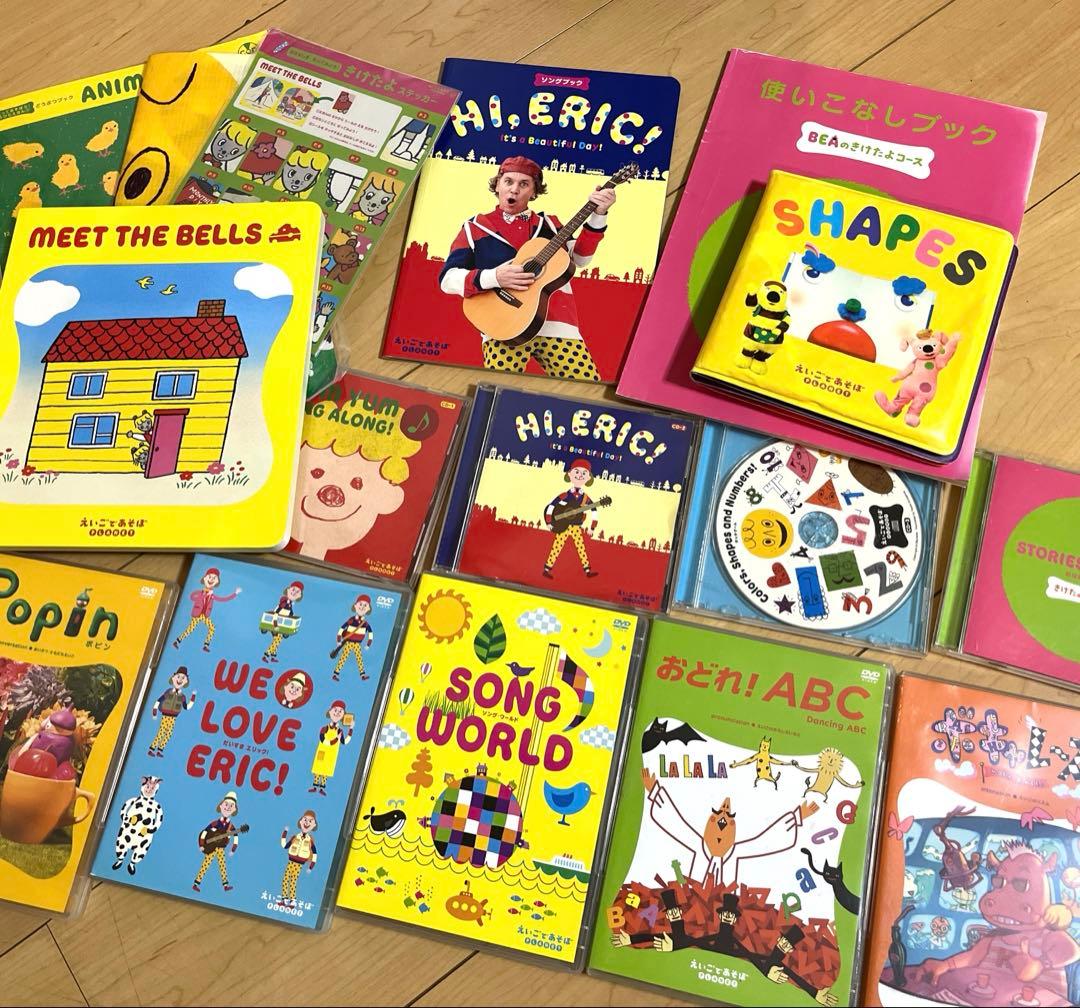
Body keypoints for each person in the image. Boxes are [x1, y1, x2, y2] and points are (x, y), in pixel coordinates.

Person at [439, 155, 615, 380]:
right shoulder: (475, 227)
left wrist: (598, 215)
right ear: (497, 185)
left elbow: (580, 259)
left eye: (524, 184)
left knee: (586, 389)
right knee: (499, 390)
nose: (514, 189)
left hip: (558, 325)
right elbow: (448, 279)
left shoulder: (550, 224)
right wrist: (494, 277)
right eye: (508, 181)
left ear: (534, 192)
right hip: (503, 327)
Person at [543, 459, 600, 579]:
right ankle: (547, 569)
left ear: (588, 478)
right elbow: (551, 506)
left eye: (584, 473)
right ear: (569, 474)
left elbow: (594, 511)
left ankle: (587, 570)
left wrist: (592, 527)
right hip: (562, 525)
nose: (580, 475)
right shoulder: (565, 495)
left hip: (576, 526)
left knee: (580, 547)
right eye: (577, 472)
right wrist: (549, 522)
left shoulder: (585, 498)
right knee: (557, 546)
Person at [172, 567, 241, 652]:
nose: (211, 579)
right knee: (190, 629)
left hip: (205, 616)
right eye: (210, 577)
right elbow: (192, 598)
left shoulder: (212, 595)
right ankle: (177, 641)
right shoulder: (198, 592)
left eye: (214, 578)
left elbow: (223, 599)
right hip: (197, 615)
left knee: (212, 628)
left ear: (217, 582)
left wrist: (235, 593)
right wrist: (206, 595)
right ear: (204, 578)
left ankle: (206, 645)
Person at [193, 791, 241, 892]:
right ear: (220, 806)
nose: (228, 807)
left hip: (221, 848)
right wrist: (201, 844)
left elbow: (236, 837)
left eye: (231, 806)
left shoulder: (231, 826)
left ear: (234, 809)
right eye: (226, 804)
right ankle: (196, 883)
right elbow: (204, 832)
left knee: (222, 865)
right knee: (205, 864)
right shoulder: (215, 823)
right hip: (211, 846)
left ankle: (225, 885)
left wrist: (233, 849)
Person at [148, 667, 195, 756]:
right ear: (173, 678)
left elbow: (186, 707)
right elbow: (158, 701)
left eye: (183, 678)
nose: (180, 680)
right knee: (161, 732)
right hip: (165, 716)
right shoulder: (168, 692)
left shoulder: (182, 696)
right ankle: (152, 748)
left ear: (186, 681)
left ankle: (160, 750)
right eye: (178, 677)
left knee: (168, 734)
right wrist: (154, 711)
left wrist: (193, 698)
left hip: (173, 718)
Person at [309, 701, 352, 794]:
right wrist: (336, 739)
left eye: (340, 711)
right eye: (335, 710)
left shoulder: (339, 731)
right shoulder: (324, 728)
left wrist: (350, 730)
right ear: (330, 712)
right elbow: (323, 740)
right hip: (322, 752)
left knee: (325, 772)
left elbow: (344, 742)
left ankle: (322, 789)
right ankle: (315, 787)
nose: (337, 713)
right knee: (318, 770)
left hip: (331, 755)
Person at [280, 810, 318, 908]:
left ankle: (292, 900)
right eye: (305, 820)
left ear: (314, 825)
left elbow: (314, 854)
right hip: (291, 861)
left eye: (310, 821)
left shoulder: (310, 840)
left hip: (299, 864)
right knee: (285, 879)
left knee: (293, 881)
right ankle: (284, 899)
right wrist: (284, 833)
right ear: (300, 821)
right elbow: (284, 846)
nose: (307, 823)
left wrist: (311, 866)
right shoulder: (295, 837)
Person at [332, 595, 374, 682]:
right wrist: (338, 639)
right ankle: (335, 674)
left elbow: (370, 633)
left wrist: (368, 644)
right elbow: (341, 629)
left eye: (365, 605)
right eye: (360, 604)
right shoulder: (351, 620)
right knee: (343, 657)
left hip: (357, 644)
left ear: (369, 608)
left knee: (359, 658)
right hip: (348, 642)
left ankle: (362, 675)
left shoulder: (365, 623)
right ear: (355, 606)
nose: (362, 607)